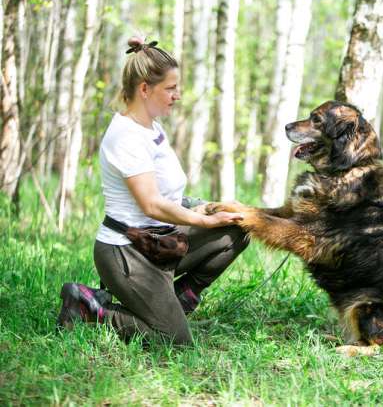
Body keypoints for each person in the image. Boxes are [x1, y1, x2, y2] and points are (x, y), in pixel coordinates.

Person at [57, 37, 249, 345]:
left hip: (161, 242)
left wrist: (209, 208)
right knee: (174, 342)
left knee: (236, 230)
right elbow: (151, 204)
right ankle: (89, 307)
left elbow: (167, 195)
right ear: (145, 89)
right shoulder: (126, 136)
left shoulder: (152, 127)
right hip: (128, 253)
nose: (178, 95)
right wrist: (204, 221)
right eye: (170, 88)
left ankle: (174, 302)